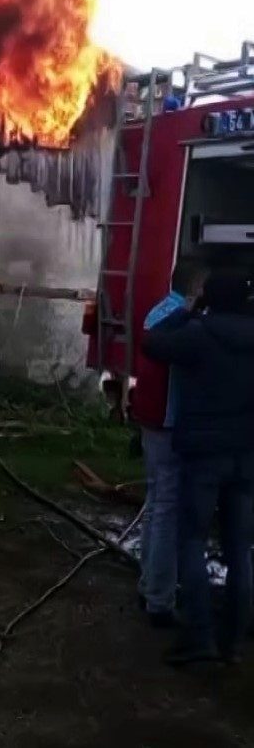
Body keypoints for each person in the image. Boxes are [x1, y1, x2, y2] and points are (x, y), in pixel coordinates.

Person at [143, 272, 254, 665]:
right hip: (246, 457)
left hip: (204, 455)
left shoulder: (199, 333)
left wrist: (189, 310)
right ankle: (235, 642)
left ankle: (199, 637)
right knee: (240, 548)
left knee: (191, 540)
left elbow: (152, 343)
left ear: (210, 299)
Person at [133, 263, 206, 628]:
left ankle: (147, 582)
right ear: (195, 286)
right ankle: (159, 600)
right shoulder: (181, 318)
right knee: (167, 509)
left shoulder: (158, 309)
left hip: (149, 416)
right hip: (167, 419)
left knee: (154, 502)